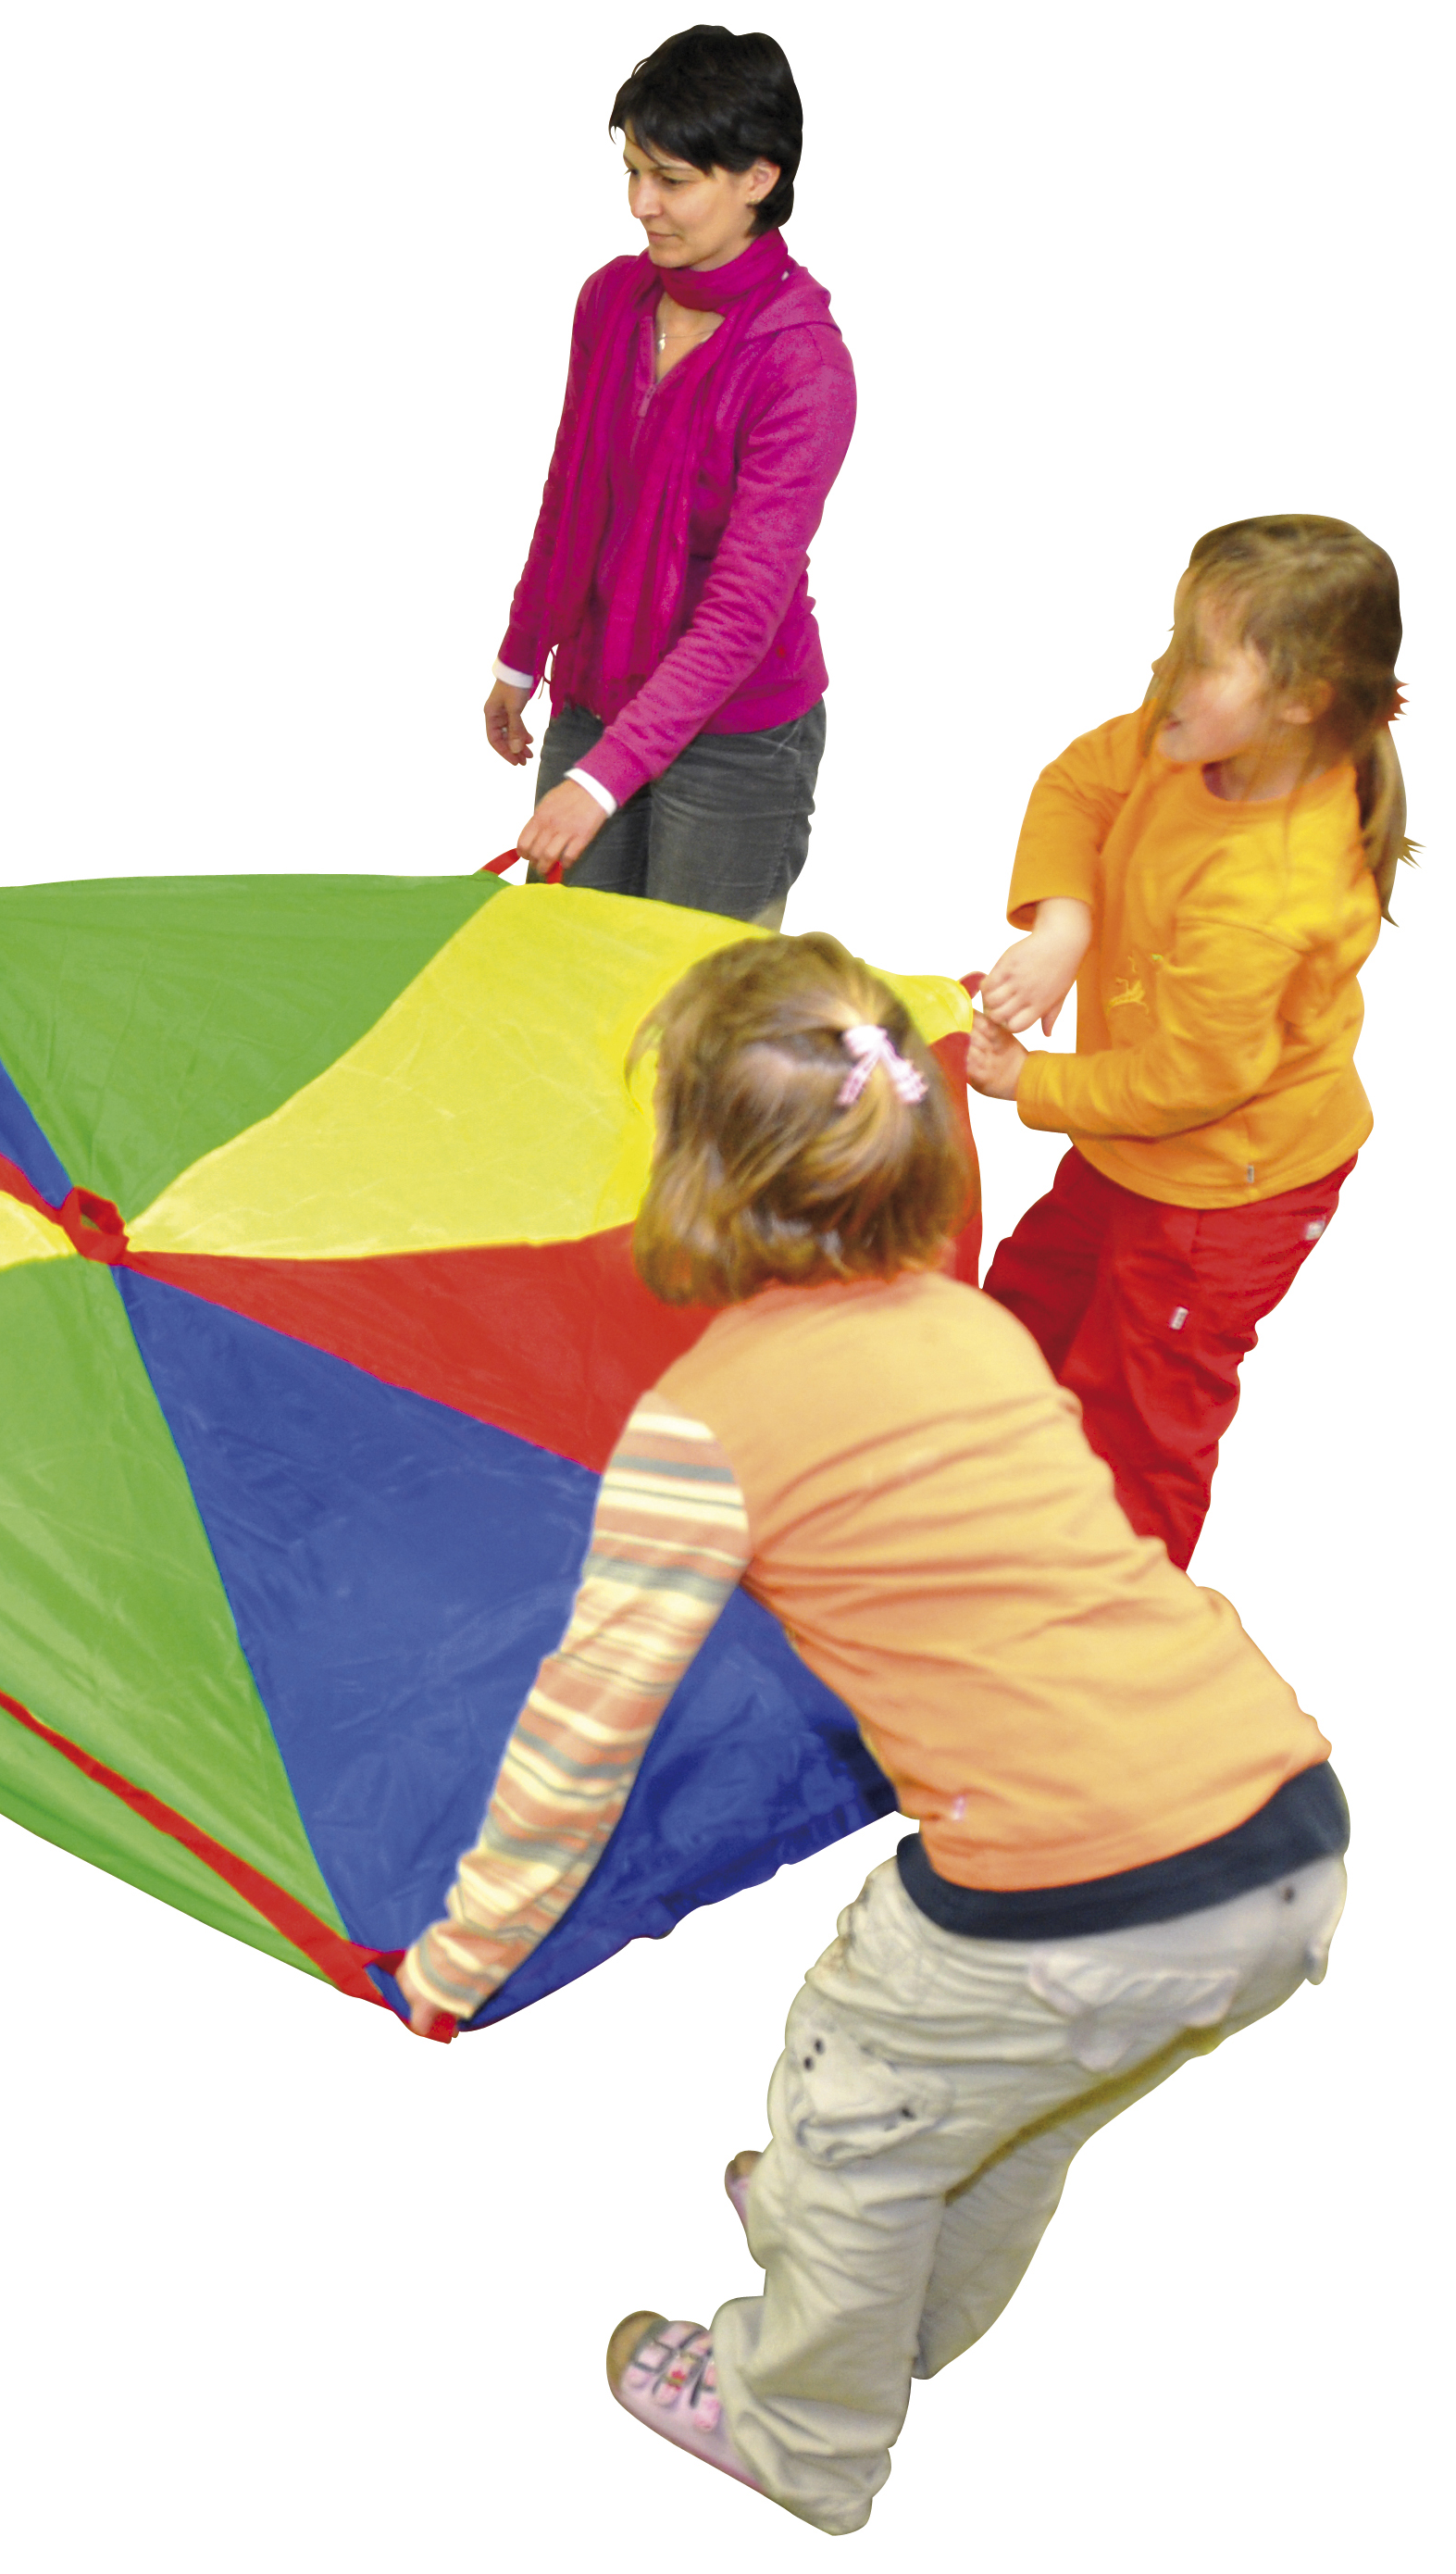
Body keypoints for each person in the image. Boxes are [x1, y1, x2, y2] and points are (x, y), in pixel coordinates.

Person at [394, 933, 1347, 2535]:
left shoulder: (704, 1422)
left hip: (1068, 1893)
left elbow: (581, 1731)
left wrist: (461, 1952)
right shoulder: (967, 1331)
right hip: (1281, 1827)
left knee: (848, 2105)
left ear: (689, 1179)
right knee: (1032, 2100)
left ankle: (801, 2431)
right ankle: (900, 2312)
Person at [968, 516, 1406, 1568]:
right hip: (1132, 1145)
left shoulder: (1270, 892)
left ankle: (1115, 1611)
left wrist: (1030, 1080)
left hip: (1225, 1192)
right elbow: (1078, 780)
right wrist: (1065, 926)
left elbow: (1188, 1083)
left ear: (1299, 701)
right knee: (1020, 1319)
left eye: (1199, 658)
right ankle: (982, 1518)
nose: (1163, 673)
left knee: (1137, 1415)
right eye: (1173, 641)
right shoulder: (1189, 742)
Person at [483, 26, 852, 921]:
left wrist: (598, 783)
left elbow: (742, 608)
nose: (641, 204)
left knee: (696, 995)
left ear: (758, 178)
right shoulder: (610, 301)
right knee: (567, 967)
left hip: (739, 738)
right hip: (596, 689)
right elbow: (571, 494)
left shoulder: (802, 365)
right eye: (633, 172)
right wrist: (522, 655)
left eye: (672, 180)